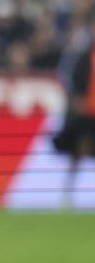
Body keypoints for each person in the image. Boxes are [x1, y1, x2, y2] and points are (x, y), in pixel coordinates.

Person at [53, 33, 95, 208]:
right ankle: (68, 194)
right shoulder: (85, 58)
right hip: (86, 113)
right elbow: (74, 82)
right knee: (78, 152)